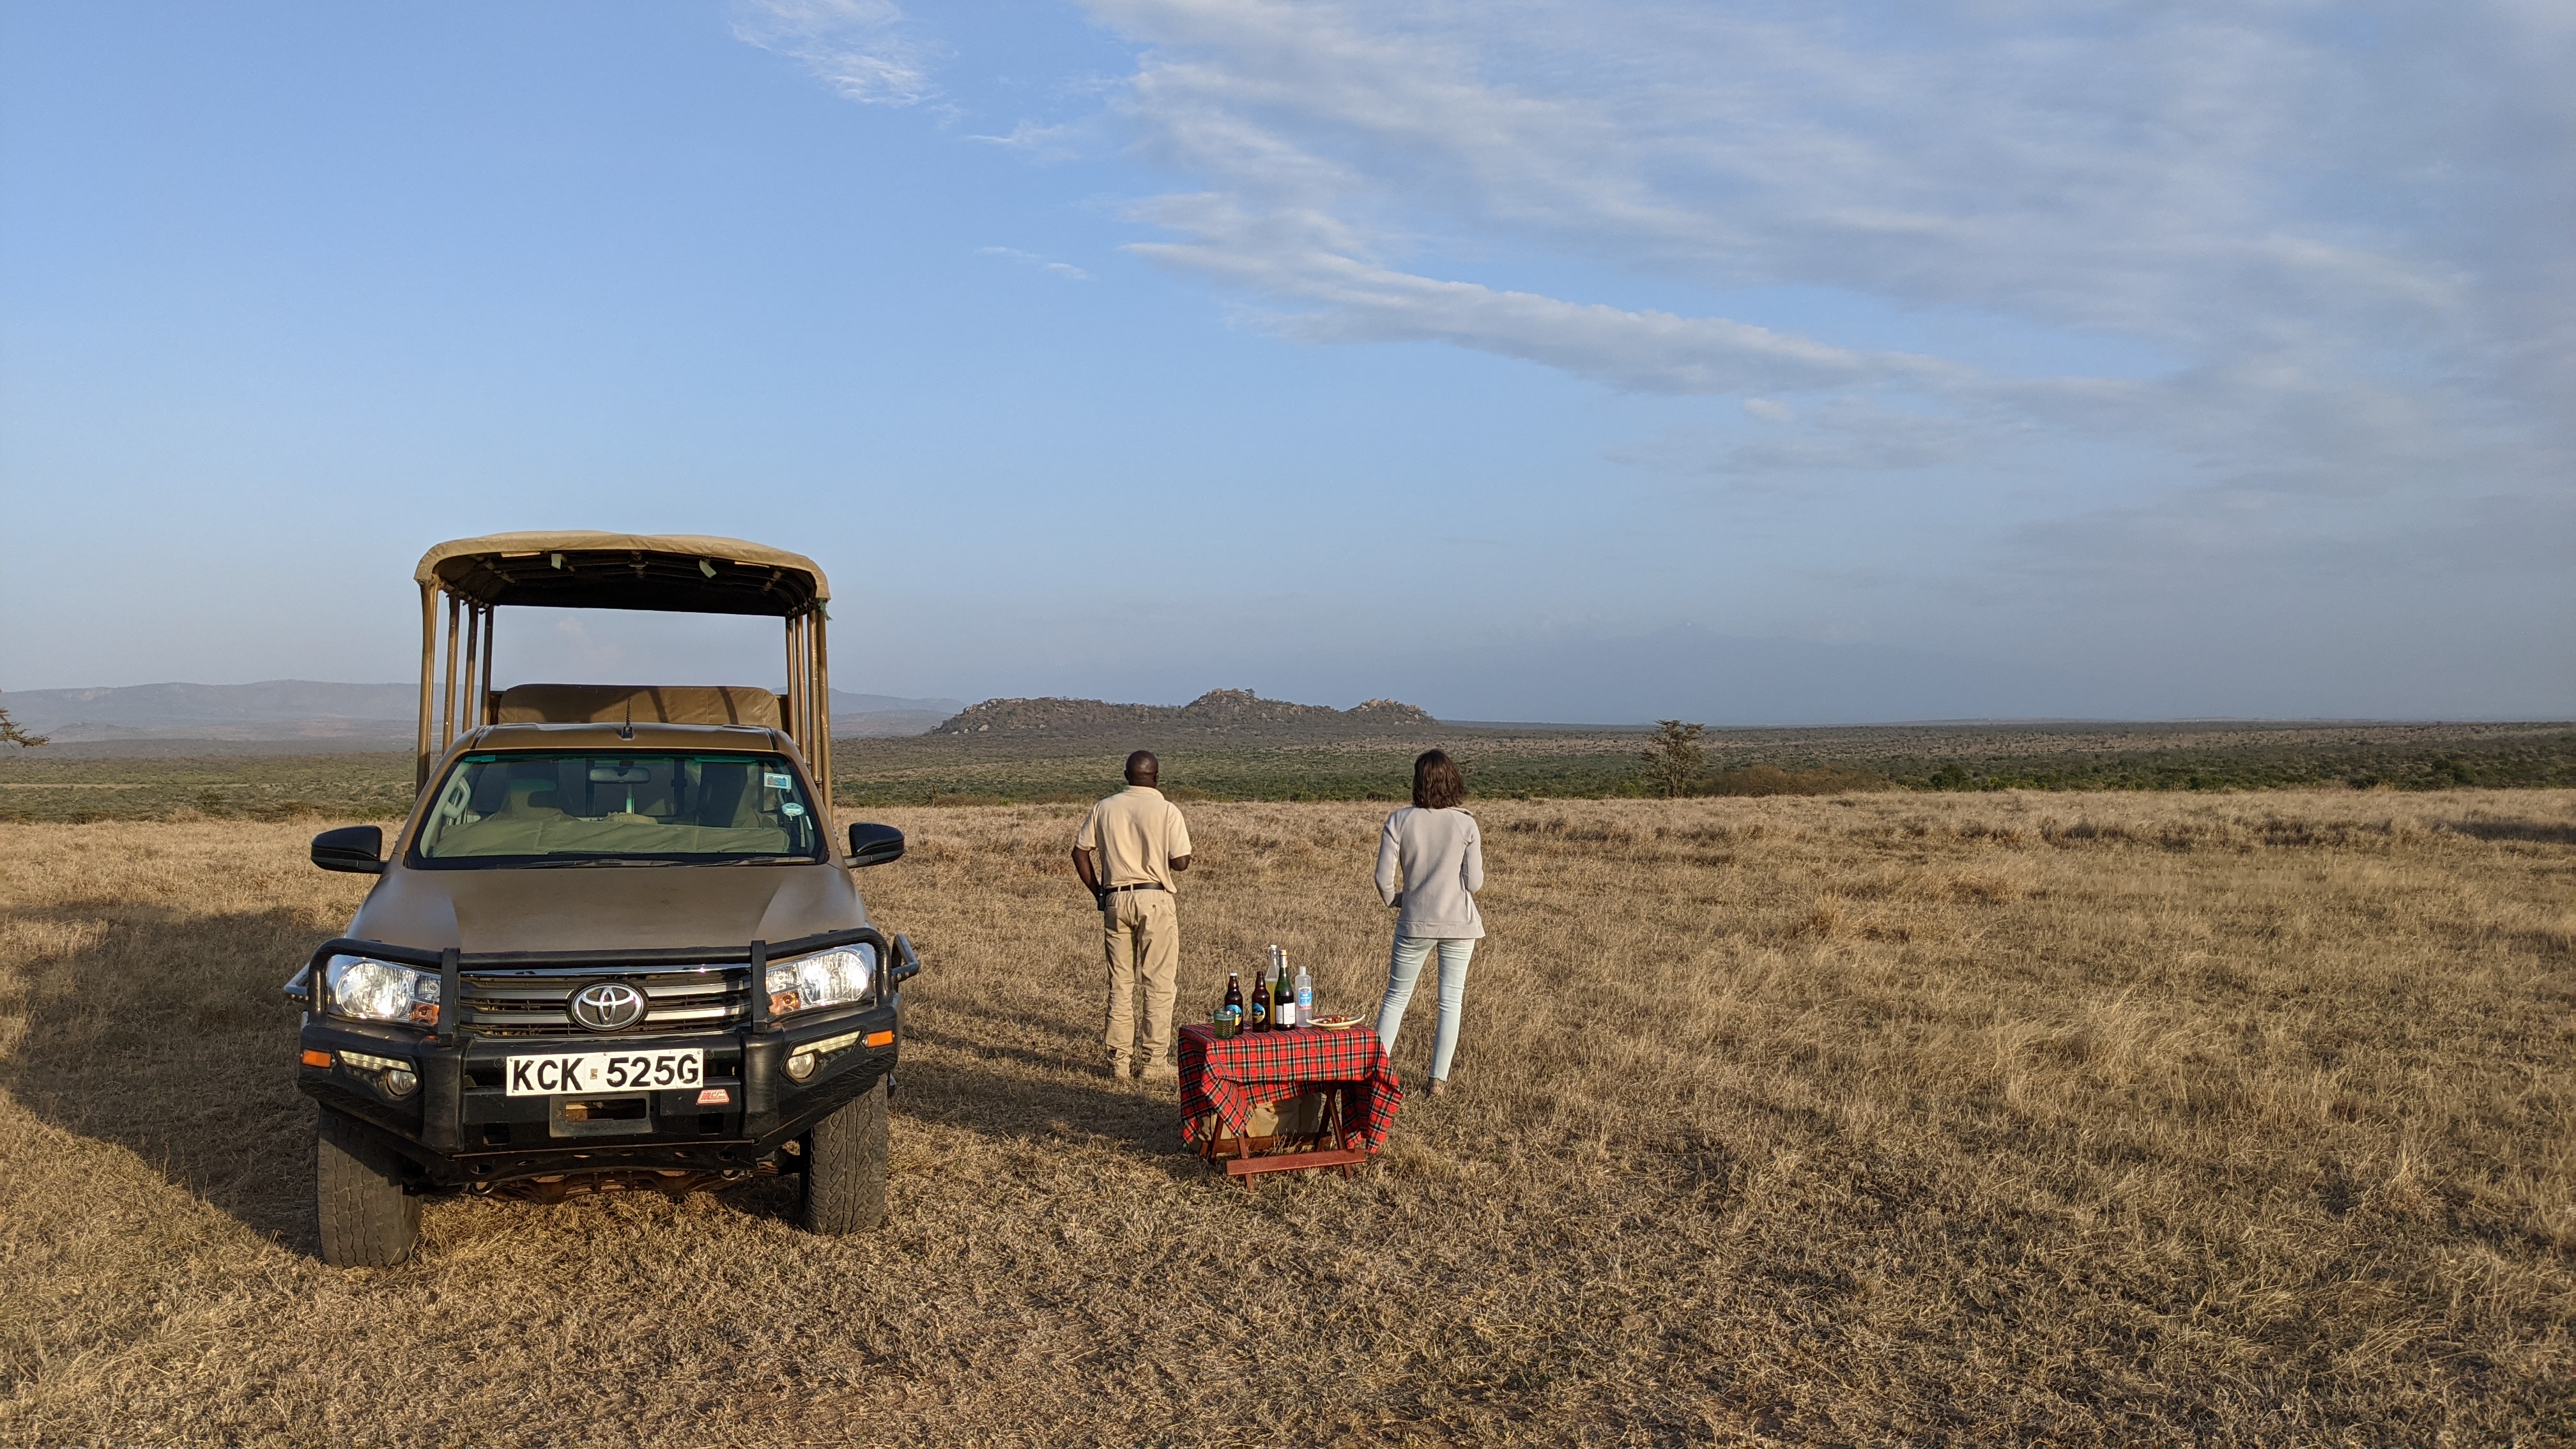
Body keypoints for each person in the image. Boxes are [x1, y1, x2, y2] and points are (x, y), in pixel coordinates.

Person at [1071, 750, 1193, 1081]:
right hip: (1155, 898)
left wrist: (1099, 892)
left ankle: (1119, 1063)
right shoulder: (1167, 810)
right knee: (1159, 983)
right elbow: (1181, 862)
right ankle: (1154, 1062)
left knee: (1121, 984)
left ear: (1126, 776)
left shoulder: (1104, 808)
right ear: (1157, 777)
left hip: (1115, 899)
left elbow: (1080, 853)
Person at [1373, 749, 1483, 1097]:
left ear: (1418, 781)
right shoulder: (1465, 823)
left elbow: (1383, 880)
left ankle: (1372, 1073)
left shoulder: (1399, 820)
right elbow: (1475, 883)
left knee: (1396, 998)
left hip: (1414, 922)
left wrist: (1397, 900)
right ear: (1452, 780)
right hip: (1459, 923)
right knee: (1450, 1001)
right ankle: (1437, 1081)